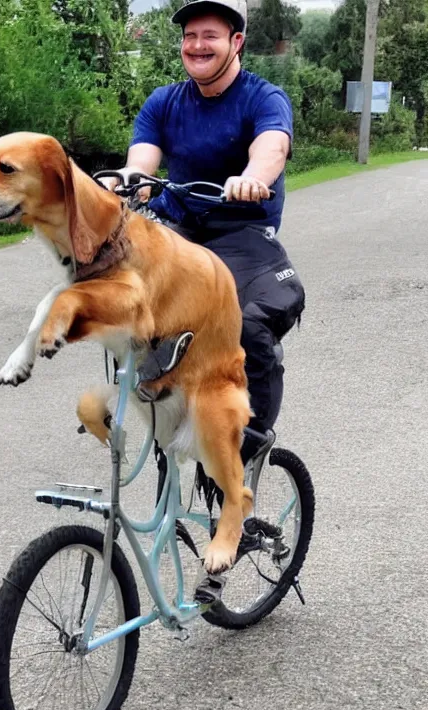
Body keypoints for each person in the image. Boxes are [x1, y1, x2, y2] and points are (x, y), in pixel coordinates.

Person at [101, 0, 305, 464]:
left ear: (236, 42)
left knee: (250, 322)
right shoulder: (164, 102)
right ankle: (160, 405)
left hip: (242, 230)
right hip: (179, 228)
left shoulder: (263, 97)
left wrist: (253, 178)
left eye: (209, 35)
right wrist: (125, 181)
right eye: (189, 36)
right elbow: (141, 163)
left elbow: (271, 148)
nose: (197, 46)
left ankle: (246, 443)